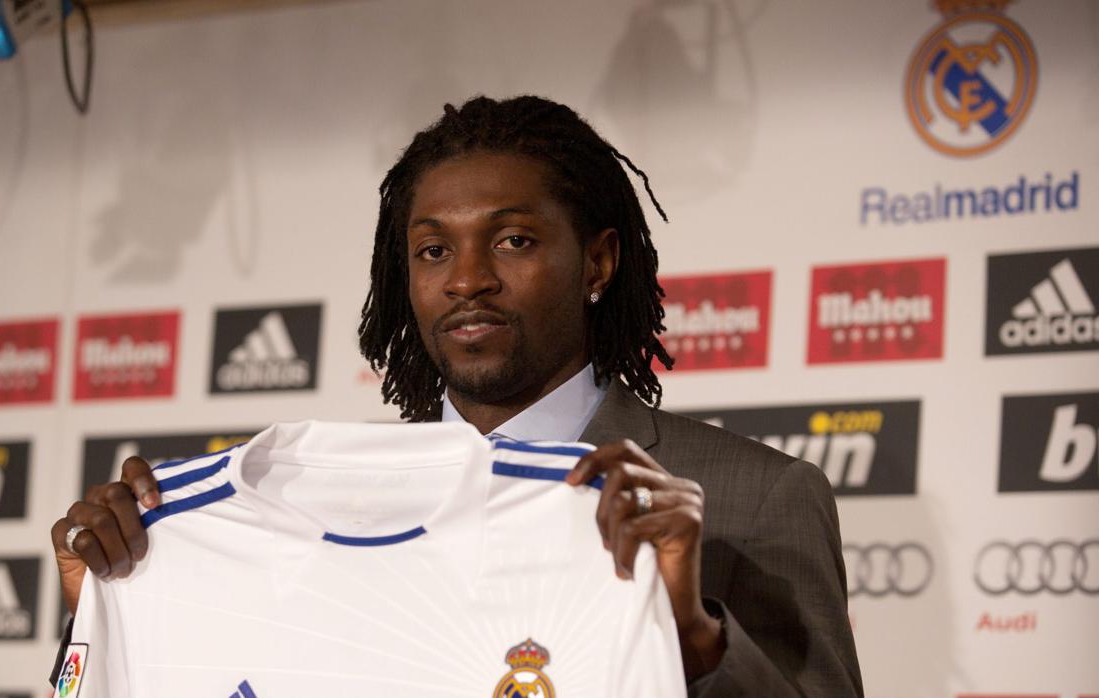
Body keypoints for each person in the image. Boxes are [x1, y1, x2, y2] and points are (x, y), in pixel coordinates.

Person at [51, 95, 863, 696]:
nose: (468, 279)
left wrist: (692, 637)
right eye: (434, 250)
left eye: (513, 240)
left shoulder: (757, 497)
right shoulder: (322, 504)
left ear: (598, 262)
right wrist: (110, 607)